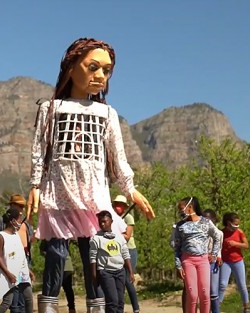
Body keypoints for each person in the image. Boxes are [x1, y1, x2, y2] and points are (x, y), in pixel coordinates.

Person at [28, 37, 155, 313]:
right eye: (93, 67)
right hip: (58, 191)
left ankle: (97, 308)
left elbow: (117, 157)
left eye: (106, 71)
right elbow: (40, 150)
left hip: (94, 193)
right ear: (71, 67)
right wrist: (35, 185)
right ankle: (48, 308)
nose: (100, 76)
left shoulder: (107, 113)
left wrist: (130, 188)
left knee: (93, 257)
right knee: (56, 257)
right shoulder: (50, 109)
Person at [172, 197, 222, 313]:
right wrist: (178, 265)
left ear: (189, 207)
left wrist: (214, 254)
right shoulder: (180, 226)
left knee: (205, 293)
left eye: (181, 209)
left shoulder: (205, 222)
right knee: (192, 294)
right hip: (188, 261)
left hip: (203, 261)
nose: (180, 212)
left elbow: (217, 237)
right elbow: (177, 247)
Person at [0, 194, 35, 313]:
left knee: (28, 298)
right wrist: (8, 273)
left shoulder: (16, 235)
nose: (21, 221)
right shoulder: (2, 236)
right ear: (12, 221)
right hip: (9, 273)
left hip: (21, 273)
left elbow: (21, 255)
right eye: (19, 219)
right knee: (8, 302)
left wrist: (28, 271)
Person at [90, 211, 134, 313]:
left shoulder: (119, 237)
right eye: (100, 222)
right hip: (106, 272)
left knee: (120, 302)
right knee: (112, 301)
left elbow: (126, 254)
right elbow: (93, 258)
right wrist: (94, 275)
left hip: (120, 271)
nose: (102, 224)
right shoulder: (96, 239)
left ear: (111, 221)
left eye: (105, 221)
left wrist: (131, 272)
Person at [112, 195, 140, 313]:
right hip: (115, 251)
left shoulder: (128, 217)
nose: (118, 206)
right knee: (118, 282)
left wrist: (112, 233)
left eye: (121, 204)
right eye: (116, 204)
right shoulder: (111, 218)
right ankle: (120, 309)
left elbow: (127, 237)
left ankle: (136, 308)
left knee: (128, 280)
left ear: (124, 206)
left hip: (129, 250)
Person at [218, 212, 250, 313]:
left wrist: (236, 244)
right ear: (228, 223)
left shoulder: (239, 232)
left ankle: (246, 307)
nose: (236, 226)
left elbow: (246, 245)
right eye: (235, 224)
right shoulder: (221, 233)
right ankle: (216, 306)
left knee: (242, 284)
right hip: (226, 262)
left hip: (238, 261)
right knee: (222, 284)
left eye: (237, 224)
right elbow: (217, 247)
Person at [202, 209, 222, 313]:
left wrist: (218, 257)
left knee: (214, 291)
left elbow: (219, 247)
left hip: (213, 262)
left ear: (213, 220)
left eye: (209, 219)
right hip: (202, 261)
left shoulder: (219, 233)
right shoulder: (200, 233)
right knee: (204, 290)